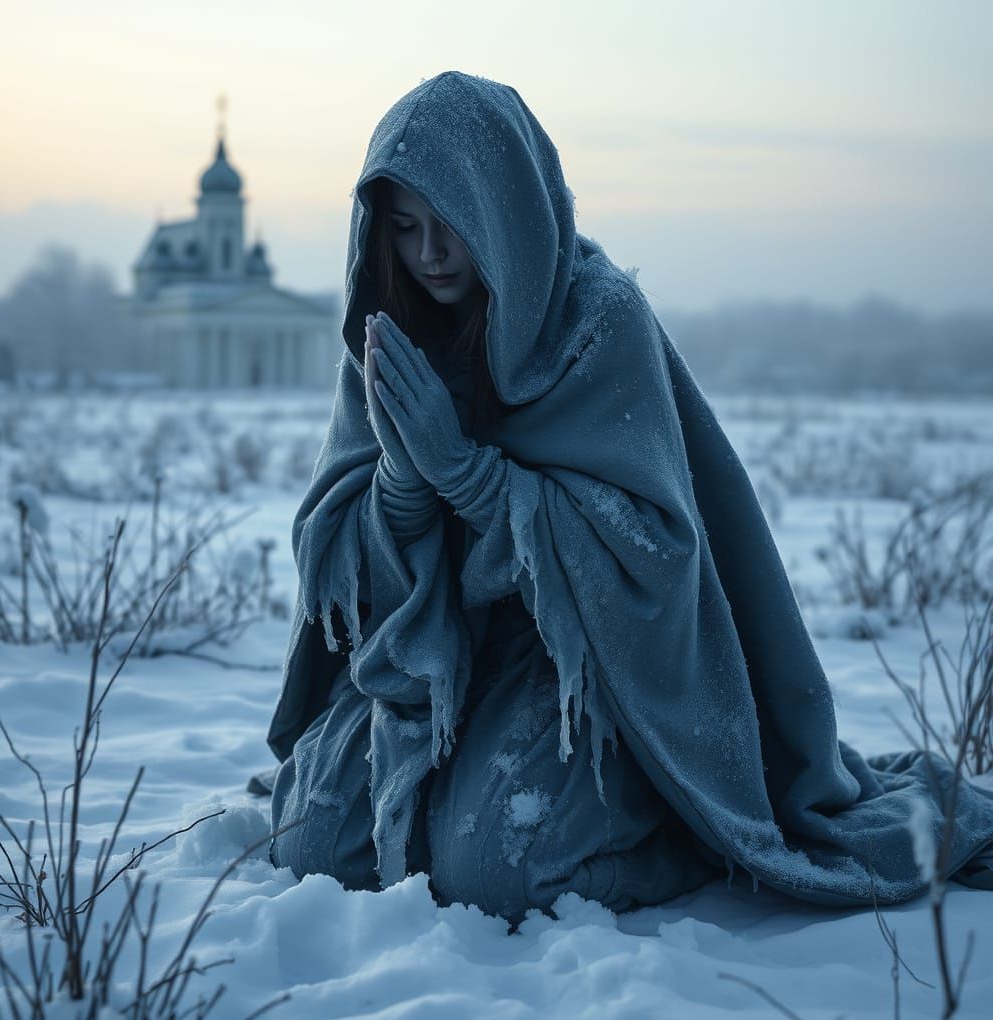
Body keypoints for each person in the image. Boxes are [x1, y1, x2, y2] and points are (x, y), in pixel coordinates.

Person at [264, 70, 993, 928]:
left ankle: (682, 830)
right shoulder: (388, 333)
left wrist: (470, 477)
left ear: (504, 209)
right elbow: (339, 571)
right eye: (406, 227)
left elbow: (650, 557)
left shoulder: (597, 323)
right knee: (316, 840)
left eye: (452, 227)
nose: (429, 256)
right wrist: (403, 486)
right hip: (435, 664)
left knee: (497, 868)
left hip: (591, 673)